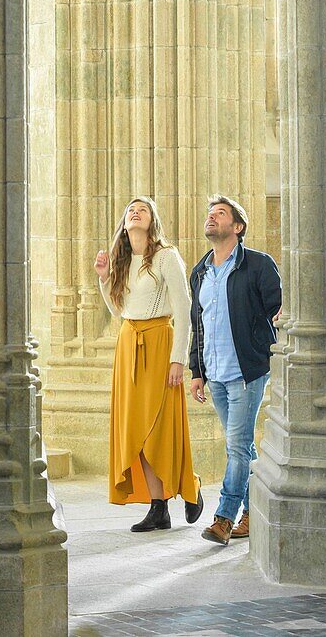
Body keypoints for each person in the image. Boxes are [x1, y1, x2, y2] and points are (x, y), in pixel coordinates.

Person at [94, 196, 204, 532]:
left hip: (159, 343)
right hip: (129, 343)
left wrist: (178, 360)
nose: (135, 211)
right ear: (124, 223)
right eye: (130, 209)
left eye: (142, 208)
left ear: (152, 218)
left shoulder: (166, 256)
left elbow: (185, 310)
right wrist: (103, 278)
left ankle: (190, 487)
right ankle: (159, 508)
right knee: (136, 430)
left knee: (161, 428)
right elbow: (119, 311)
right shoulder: (123, 260)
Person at [189, 194, 282, 545]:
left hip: (247, 370)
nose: (211, 218)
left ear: (237, 227)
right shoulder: (200, 271)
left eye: (220, 213)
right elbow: (197, 325)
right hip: (215, 373)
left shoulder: (257, 264)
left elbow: (278, 307)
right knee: (242, 447)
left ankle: (224, 518)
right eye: (210, 213)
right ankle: (255, 513)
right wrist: (197, 371)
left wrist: (276, 326)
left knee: (237, 447)